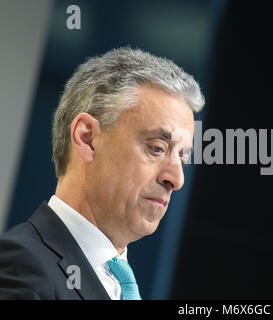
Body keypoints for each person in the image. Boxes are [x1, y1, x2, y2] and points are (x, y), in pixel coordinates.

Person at [0, 47, 204, 300]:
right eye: (156, 148)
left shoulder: (117, 283)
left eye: (182, 159)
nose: (176, 179)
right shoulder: (19, 267)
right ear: (87, 138)